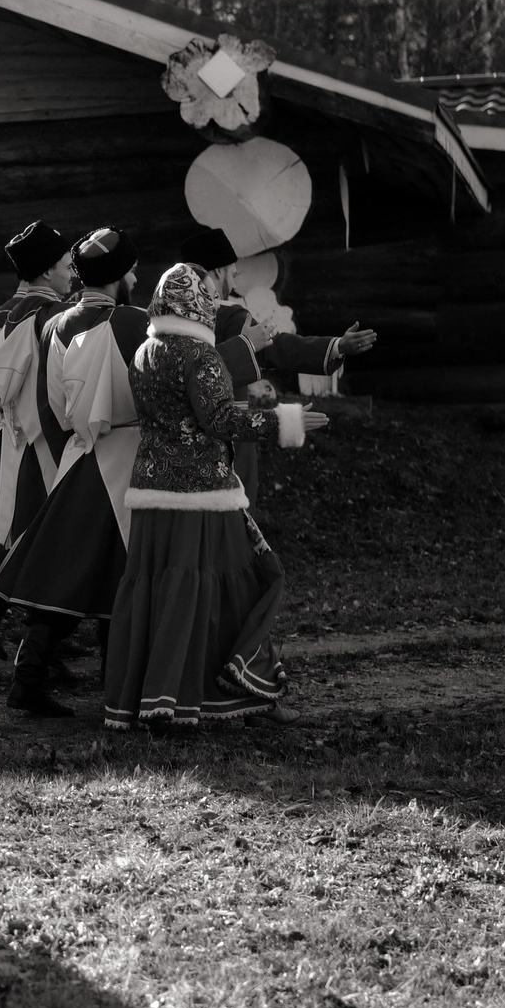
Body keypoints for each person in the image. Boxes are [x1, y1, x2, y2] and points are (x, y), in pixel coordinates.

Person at [100, 262, 328, 731]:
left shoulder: (145, 352)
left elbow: (171, 416)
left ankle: (158, 697)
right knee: (245, 583)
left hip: (150, 491)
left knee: (159, 591)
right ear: (197, 301)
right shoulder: (199, 356)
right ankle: (245, 689)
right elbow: (221, 421)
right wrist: (286, 421)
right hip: (202, 491)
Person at [0, 227, 148, 716]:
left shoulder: (57, 324)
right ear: (119, 275)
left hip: (79, 455)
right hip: (128, 455)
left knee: (70, 569)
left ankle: (30, 679)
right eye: (132, 269)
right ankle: (118, 684)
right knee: (123, 567)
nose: (137, 276)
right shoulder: (137, 323)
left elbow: (55, 404)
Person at [179, 229, 377, 501]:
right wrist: (336, 346)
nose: (232, 281)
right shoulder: (228, 315)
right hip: (228, 438)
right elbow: (278, 347)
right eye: (232, 274)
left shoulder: (162, 321)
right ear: (216, 272)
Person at [0, 219, 80, 660]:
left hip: (7, 438)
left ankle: (39, 643)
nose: (72, 274)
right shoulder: (54, 316)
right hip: (47, 442)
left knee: (15, 525)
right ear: (47, 271)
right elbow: (63, 383)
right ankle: (18, 621)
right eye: (67, 266)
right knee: (52, 533)